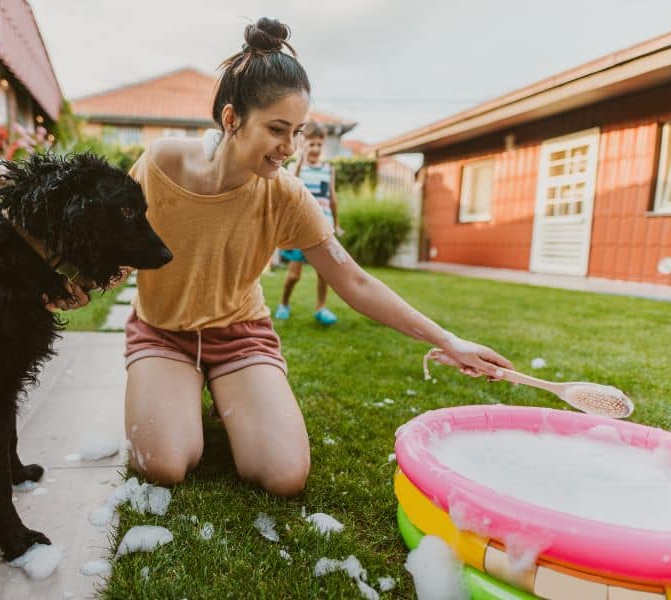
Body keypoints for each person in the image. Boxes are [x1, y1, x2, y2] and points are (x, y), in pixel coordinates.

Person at [56, 18, 512, 497]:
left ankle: (223, 389)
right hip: (162, 331)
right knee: (163, 466)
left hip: (238, 337)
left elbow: (353, 282)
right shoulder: (161, 164)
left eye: (297, 131)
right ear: (232, 119)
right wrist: (84, 282)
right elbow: (119, 247)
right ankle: (184, 390)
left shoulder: (288, 195)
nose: (290, 148)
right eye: (278, 129)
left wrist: (448, 339)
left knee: (284, 475)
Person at [275, 121, 341, 325]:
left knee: (325, 274)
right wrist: (299, 163)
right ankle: (284, 304)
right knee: (294, 275)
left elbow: (332, 198)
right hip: (301, 229)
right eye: (311, 144)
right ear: (304, 145)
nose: (315, 149)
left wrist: (336, 224)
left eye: (319, 145)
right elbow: (290, 187)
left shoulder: (328, 169)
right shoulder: (297, 166)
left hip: (323, 228)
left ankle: (321, 307)